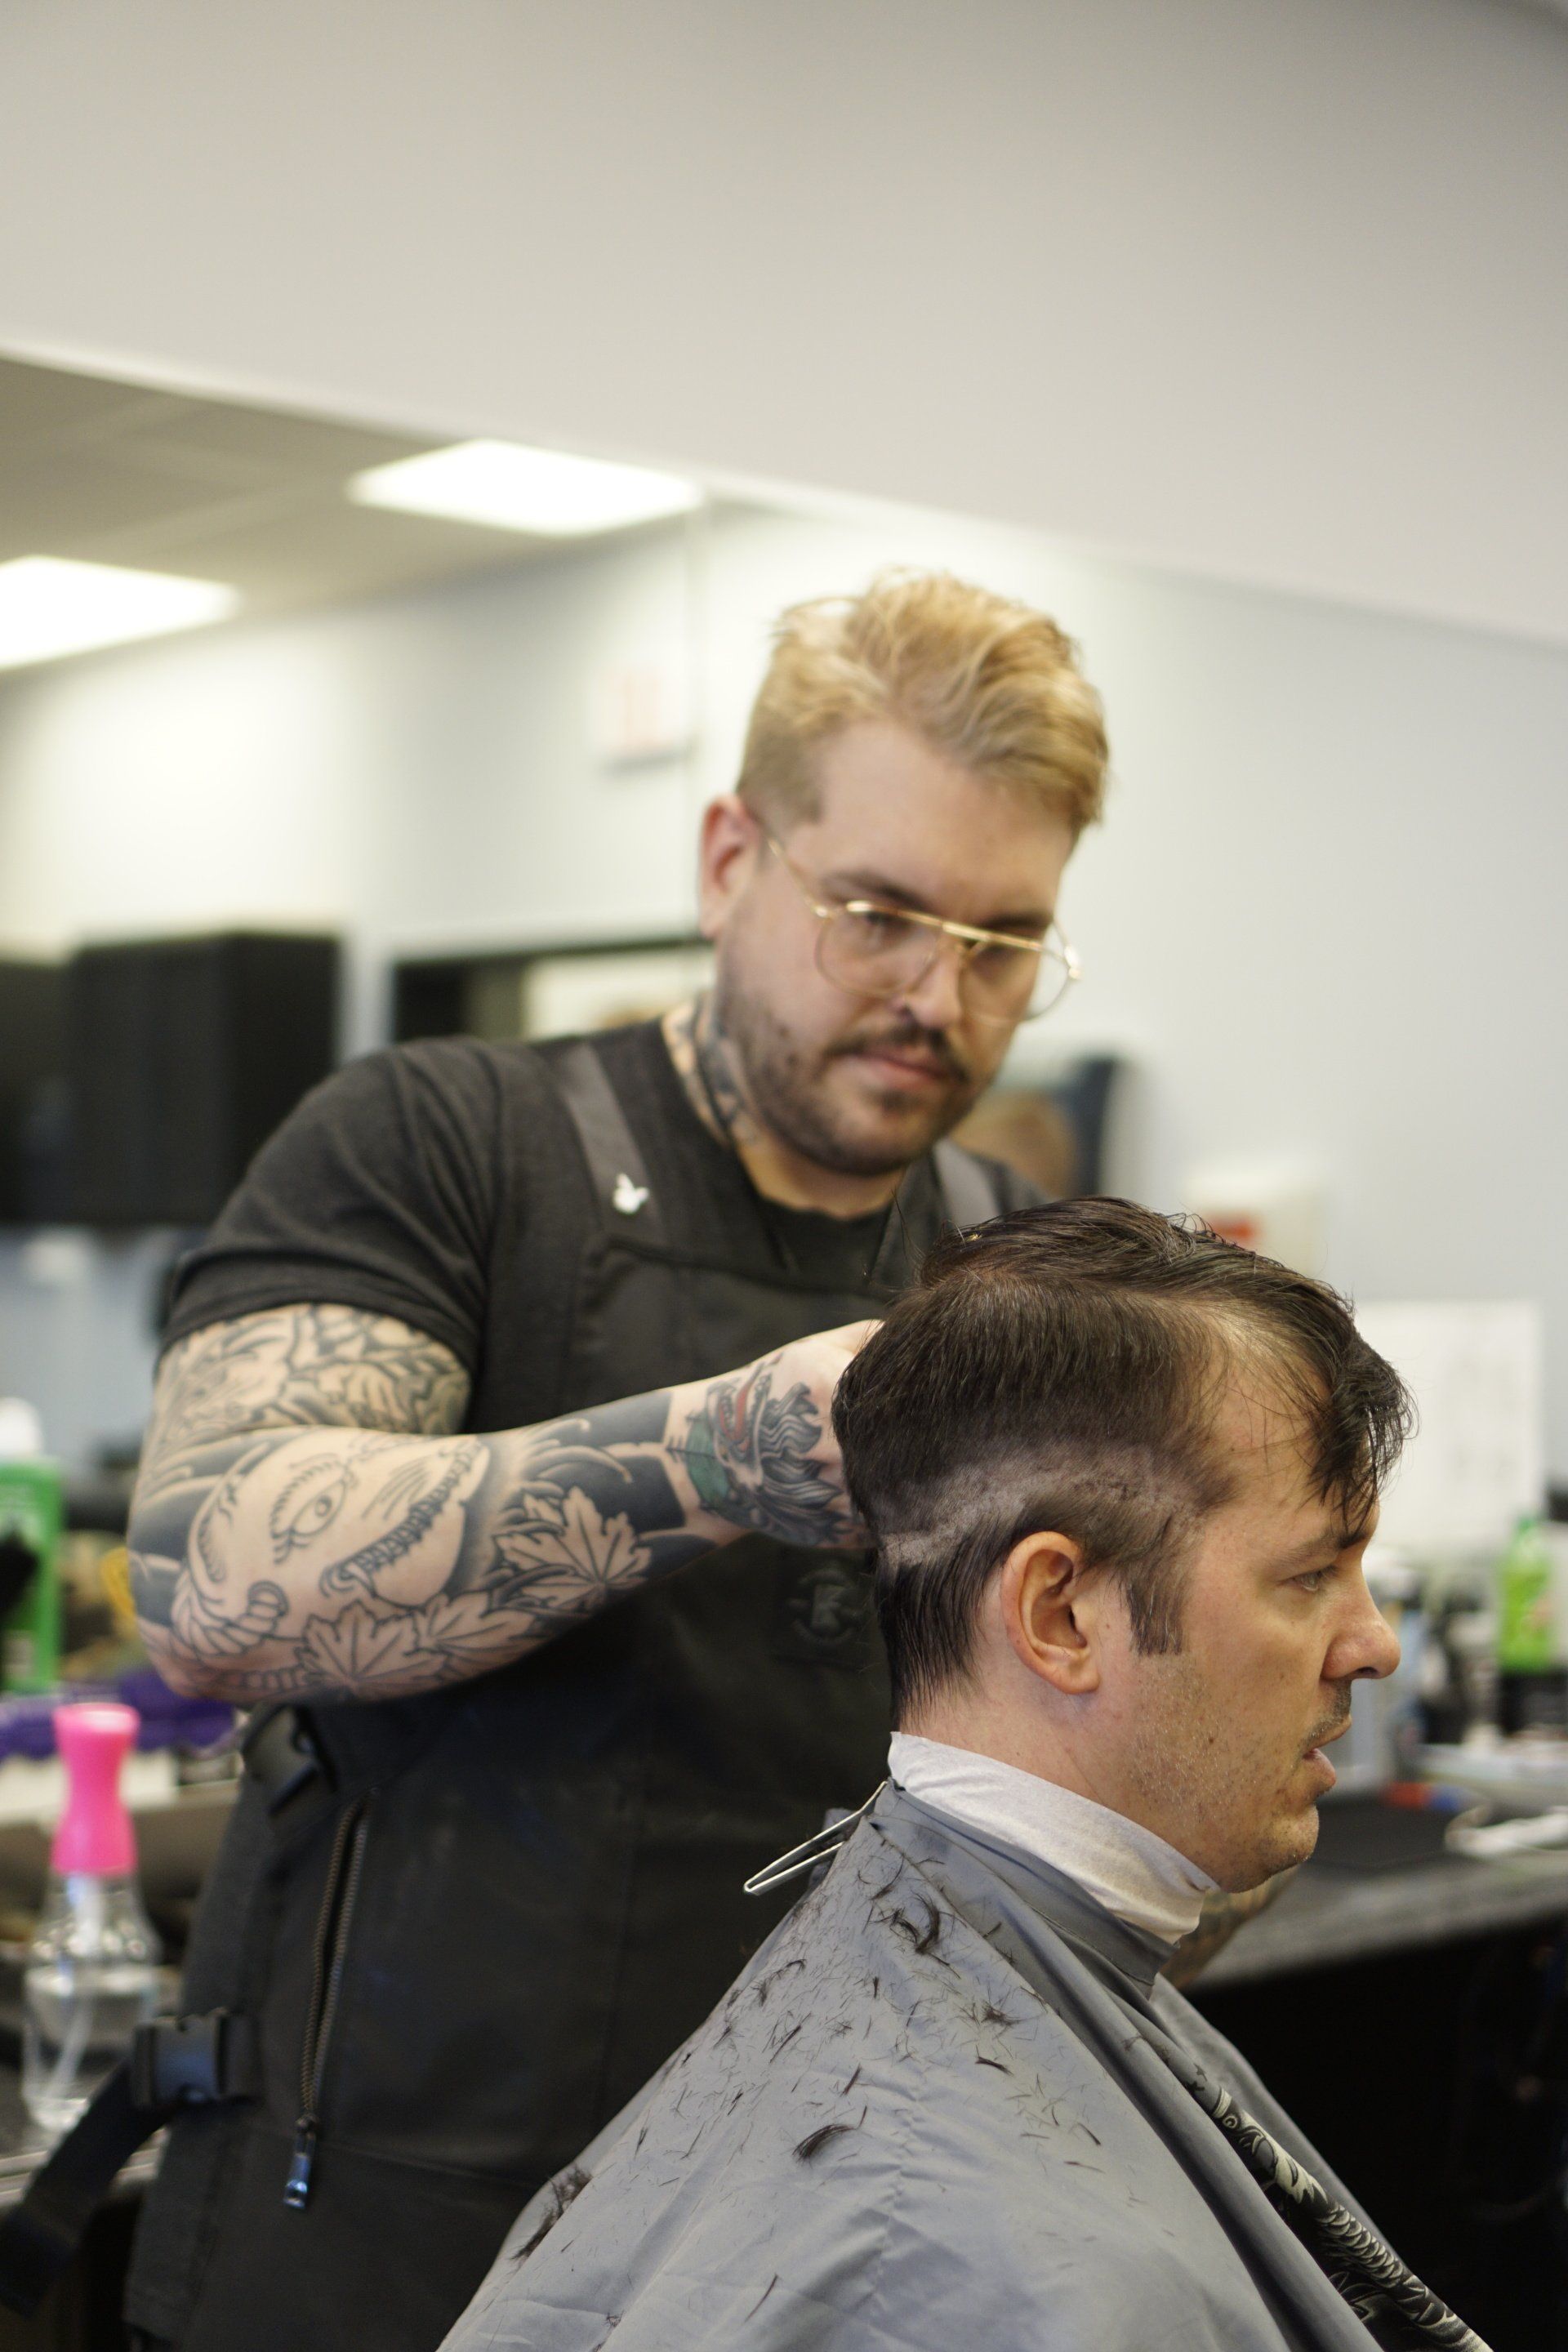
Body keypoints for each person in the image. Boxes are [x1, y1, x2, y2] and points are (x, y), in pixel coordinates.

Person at [101, 573, 1110, 2352]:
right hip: (390, 2238)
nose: (936, 993)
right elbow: (203, 1577)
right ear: (731, 856)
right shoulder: (441, 1145)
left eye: (1004, 941)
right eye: (878, 912)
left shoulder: (1007, 1259)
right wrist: (721, 1451)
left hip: (802, 2248)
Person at [440, 1200, 1489, 2352]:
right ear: (1061, 1614)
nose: (1375, 1644)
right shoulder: (978, 2261)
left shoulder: (923, 2032)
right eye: (1311, 1576)